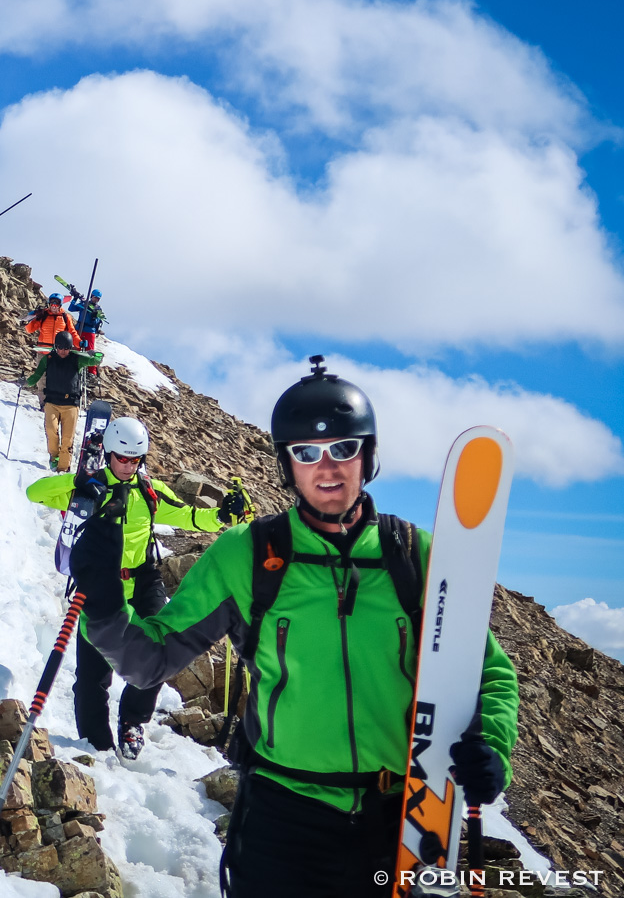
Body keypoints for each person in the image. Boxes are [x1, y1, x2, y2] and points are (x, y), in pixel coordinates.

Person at [70, 359, 519, 897]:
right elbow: (148, 662)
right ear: (287, 464)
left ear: (368, 456)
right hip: (281, 824)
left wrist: (491, 744)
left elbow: (488, 672)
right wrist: (104, 607)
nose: (327, 468)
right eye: (306, 452)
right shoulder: (250, 557)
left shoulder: (416, 559)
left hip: (398, 821)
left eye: (343, 448)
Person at [26, 415, 240, 757]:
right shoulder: (88, 488)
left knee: (158, 651)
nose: (128, 466)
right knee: (93, 675)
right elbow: (34, 492)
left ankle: (132, 723)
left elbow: (187, 516)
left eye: (135, 460)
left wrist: (222, 516)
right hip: (100, 584)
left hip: (143, 580)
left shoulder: (148, 491)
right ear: (109, 453)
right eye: (122, 458)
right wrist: (80, 482)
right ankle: (96, 743)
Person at [23, 332, 98, 472]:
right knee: (51, 430)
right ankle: (54, 457)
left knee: (67, 439)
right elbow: (37, 375)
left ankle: (63, 468)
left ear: (70, 347)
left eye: (66, 348)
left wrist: (95, 355)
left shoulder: (77, 359)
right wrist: (25, 383)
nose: (63, 351)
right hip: (52, 402)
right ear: (55, 347)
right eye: (60, 347)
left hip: (71, 404)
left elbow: (95, 361)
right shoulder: (48, 359)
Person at [67, 288, 106, 353]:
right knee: (75, 347)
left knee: (90, 351)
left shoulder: (98, 310)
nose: (96, 300)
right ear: (91, 296)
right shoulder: (84, 304)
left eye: (98, 299)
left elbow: (98, 321)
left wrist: (94, 317)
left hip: (90, 331)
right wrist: (75, 298)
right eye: (95, 297)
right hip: (79, 329)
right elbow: (71, 308)